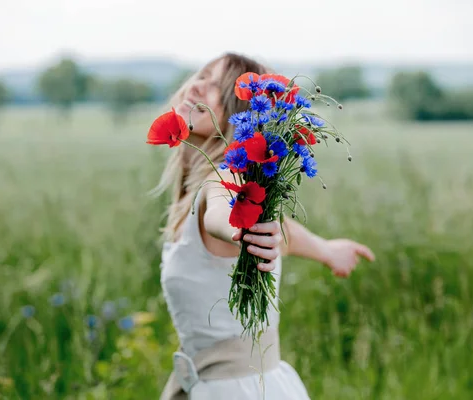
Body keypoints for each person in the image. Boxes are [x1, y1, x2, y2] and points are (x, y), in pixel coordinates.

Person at [153, 52, 375, 400]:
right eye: (202, 75)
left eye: (216, 86)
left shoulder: (225, 176)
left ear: (239, 113)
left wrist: (241, 231)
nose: (197, 85)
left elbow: (222, 215)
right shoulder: (206, 184)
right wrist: (327, 250)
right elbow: (284, 230)